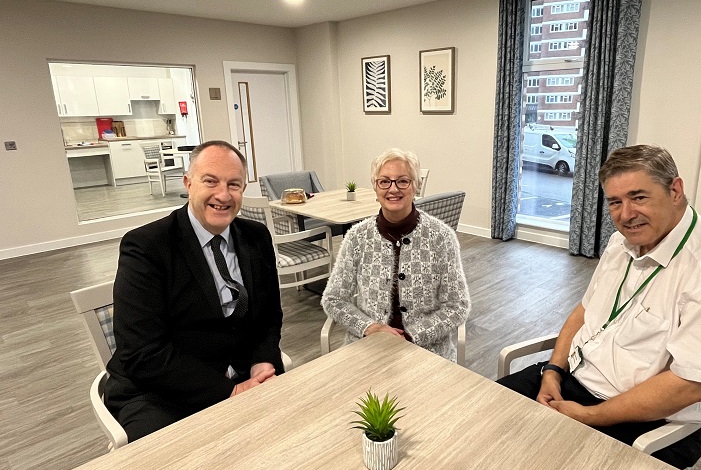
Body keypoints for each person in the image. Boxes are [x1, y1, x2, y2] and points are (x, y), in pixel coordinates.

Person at [498, 144, 701, 469]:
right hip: (571, 379)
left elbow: (691, 385)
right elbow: (586, 312)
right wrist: (552, 371)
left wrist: (591, 416)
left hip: (645, 419)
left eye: (639, 197)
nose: (626, 214)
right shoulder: (623, 240)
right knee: (478, 418)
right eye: (615, 202)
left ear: (675, 190)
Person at [105, 140, 285, 442]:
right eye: (210, 181)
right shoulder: (147, 247)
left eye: (234, 184)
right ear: (188, 183)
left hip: (243, 373)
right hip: (162, 392)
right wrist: (230, 391)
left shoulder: (256, 237)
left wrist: (262, 361)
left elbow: (268, 316)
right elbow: (143, 353)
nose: (223, 195)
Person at [322, 148, 470, 361]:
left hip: (428, 351)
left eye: (403, 181)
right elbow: (334, 299)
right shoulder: (357, 237)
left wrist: (412, 335)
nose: (393, 189)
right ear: (375, 187)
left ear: (415, 186)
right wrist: (369, 327)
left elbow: (457, 306)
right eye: (384, 181)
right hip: (367, 347)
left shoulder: (441, 237)